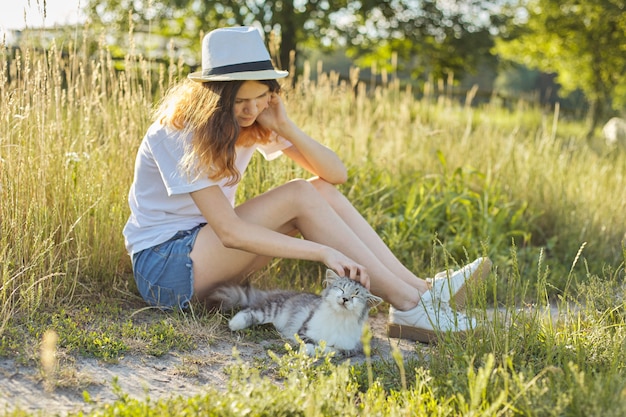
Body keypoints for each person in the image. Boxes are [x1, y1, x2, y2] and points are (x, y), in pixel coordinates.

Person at [122, 26, 492, 343]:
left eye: (260, 97)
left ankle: (422, 291)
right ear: (216, 98)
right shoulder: (177, 132)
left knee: (317, 190)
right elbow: (230, 232)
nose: (251, 111)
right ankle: (410, 306)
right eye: (240, 102)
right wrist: (322, 252)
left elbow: (335, 176)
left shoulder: (251, 124)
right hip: (165, 270)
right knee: (299, 192)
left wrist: (285, 127)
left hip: (203, 257)